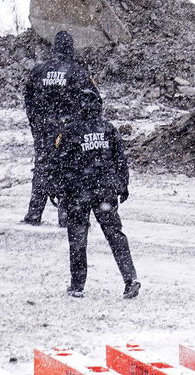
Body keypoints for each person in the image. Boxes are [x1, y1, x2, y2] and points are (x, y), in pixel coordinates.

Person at [48, 88, 140, 299]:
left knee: (78, 237)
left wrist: (54, 188)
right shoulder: (108, 129)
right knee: (115, 234)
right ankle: (130, 278)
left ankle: (77, 285)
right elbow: (120, 161)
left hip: (77, 192)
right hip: (105, 190)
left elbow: (58, 162)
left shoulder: (69, 131)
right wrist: (123, 186)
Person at [22, 30, 100, 226]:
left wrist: (37, 125)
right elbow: (94, 100)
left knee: (42, 169)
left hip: (44, 130)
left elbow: (28, 100)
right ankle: (66, 217)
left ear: (54, 48)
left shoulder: (39, 71)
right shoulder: (77, 71)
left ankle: (34, 214)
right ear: (70, 48)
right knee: (68, 170)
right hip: (69, 131)